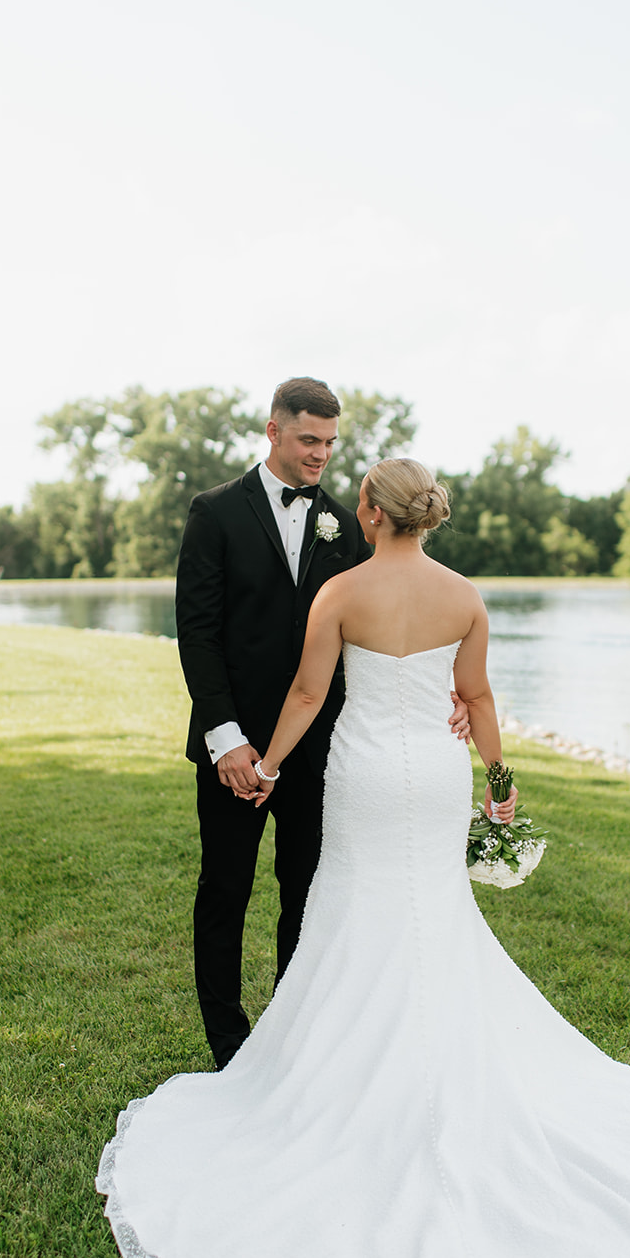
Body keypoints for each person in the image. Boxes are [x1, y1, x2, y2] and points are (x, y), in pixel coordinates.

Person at [99, 457, 630, 1258]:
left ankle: (338, 1084)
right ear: (425, 516)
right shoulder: (465, 597)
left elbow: (306, 690)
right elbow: (475, 696)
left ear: (367, 511)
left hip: (364, 773)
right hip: (437, 778)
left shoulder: (341, 595)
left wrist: (272, 763)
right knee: (434, 916)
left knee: (354, 912)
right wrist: (499, 778)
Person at [174, 378, 469, 1069]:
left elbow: (388, 622)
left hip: (321, 753)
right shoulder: (213, 512)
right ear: (273, 430)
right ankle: (228, 1044)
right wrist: (228, 740)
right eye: (309, 440)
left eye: (331, 444)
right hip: (234, 749)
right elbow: (196, 631)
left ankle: (291, 1035)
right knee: (225, 891)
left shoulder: (348, 522)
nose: (320, 456)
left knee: (307, 893)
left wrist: (448, 692)